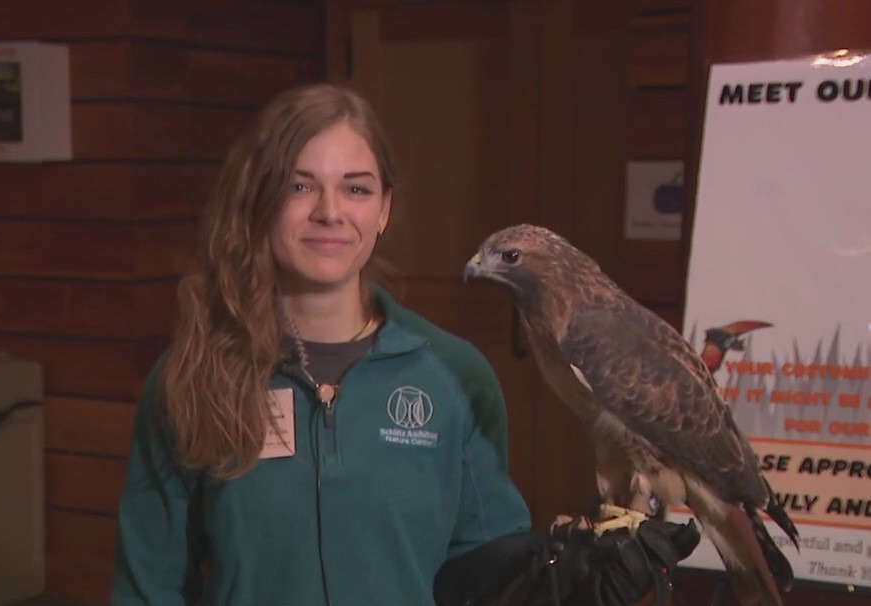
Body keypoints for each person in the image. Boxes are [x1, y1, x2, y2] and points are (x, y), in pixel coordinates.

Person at [111, 82, 699, 606]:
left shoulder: (453, 375)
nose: (330, 212)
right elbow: (148, 585)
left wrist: (564, 578)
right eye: (299, 185)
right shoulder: (191, 375)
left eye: (357, 189)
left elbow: (487, 573)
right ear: (260, 201)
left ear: (385, 209)